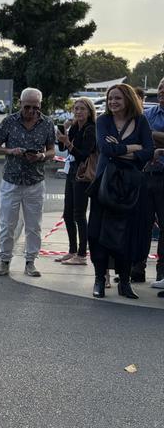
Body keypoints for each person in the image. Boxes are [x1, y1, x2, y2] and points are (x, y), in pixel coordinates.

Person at [88, 83, 153, 299]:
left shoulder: (141, 121)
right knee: (99, 233)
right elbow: (106, 149)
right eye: (110, 99)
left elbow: (149, 151)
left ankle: (124, 283)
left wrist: (125, 151)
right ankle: (99, 279)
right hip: (105, 185)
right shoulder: (103, 121)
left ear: (128, 99)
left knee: (127, 234)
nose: (113, 102)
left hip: (131, 187)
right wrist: (134, 148)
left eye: (117, 98)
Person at [0, 87, 57, 277]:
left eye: (35, 108)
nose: (31, 112)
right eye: (27, 107)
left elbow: (52, 150)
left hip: (35, 182)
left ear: (40, 106)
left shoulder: (47, 124)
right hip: (11, 180)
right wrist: (11, 151)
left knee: (33, 225)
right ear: (20, 104)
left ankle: (30, 262)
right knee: (7, 223)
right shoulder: (9, 122)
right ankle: (4, 260)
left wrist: (42, 155)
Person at [56, 97, 96, 266]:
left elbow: (84, 154)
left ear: (89, 111)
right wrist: (62, 130)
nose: (78, 112)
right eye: (76, 109)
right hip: (72, 171)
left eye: (82, 109)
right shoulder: (74, 127)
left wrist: (69, 144)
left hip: (83, 174)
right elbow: (63, 148)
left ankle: (81, 254)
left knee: (79, 214)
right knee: (67, 213)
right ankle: (72, 250)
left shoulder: (90, 129)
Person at [134, 77, 164, 285]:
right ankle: (137, 269)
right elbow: (137, 137)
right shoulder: (148, 113)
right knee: (141, 225)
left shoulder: (148, 118)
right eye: (161, 87)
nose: (162, 90)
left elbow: (145, 137)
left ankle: (162, 273)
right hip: (145, 175)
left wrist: (151, 136)